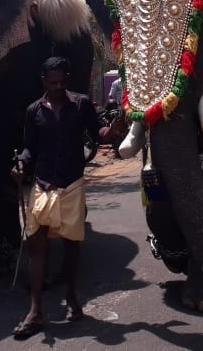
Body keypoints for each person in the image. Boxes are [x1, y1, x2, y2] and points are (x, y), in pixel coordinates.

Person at [11, 57, 123, 339]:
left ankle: (72, 296)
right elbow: (29, 148)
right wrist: (21, 163)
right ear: (43, 82)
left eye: (62, 81)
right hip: (43, 184)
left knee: (72, 246)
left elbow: (98, 133)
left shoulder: (82, 104)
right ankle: (35, 310)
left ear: (67, 79)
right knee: (38, 243)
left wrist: (112, 130)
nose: (58, 87)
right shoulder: (33, 111)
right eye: (53, 82)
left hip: (72, 183)